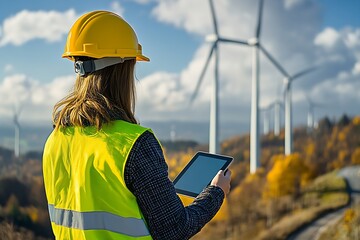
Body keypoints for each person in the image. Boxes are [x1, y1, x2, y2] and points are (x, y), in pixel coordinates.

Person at [42, 10, 231, 240]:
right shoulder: (134, 145)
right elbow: (175, 230)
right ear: (123, 69)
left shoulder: (56, 138)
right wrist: (216, 193)